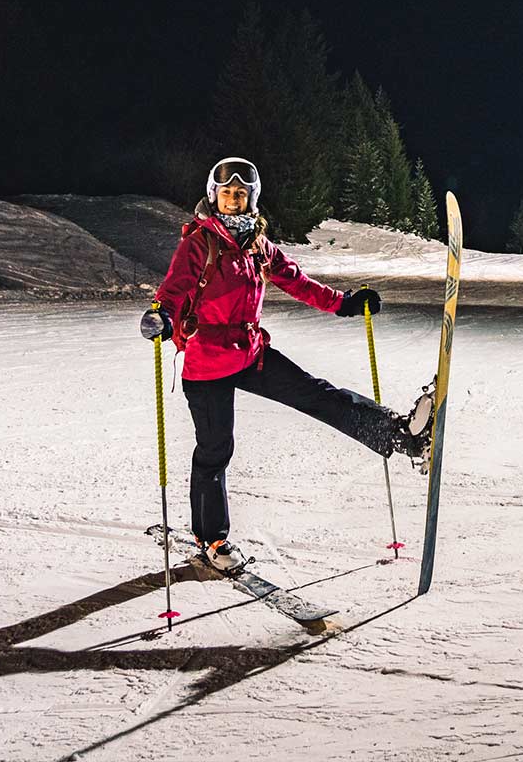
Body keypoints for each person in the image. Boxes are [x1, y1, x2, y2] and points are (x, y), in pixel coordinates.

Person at [140, 156, 432, 575]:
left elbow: (296, 280)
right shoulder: (199, 243)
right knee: (214, 450)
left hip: (250, 351)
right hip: (206, 363)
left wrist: (344, 304)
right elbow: (173, 288)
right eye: (226, 193)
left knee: (316, 394)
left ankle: (402, 435)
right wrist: (162, 317)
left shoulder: (258, 244)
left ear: (252, 198)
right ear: (213, 196)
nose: (233, 200)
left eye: (241, 193)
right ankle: (212, 539)